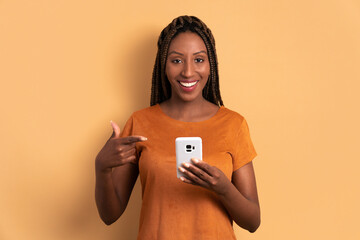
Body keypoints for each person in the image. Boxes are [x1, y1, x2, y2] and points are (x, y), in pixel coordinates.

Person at [95, 15, 260, 239]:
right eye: (177, 60)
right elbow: (109, 215)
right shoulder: (140, 123)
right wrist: (102, 168)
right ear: (164, 65)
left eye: (199, 60)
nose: (188, 72)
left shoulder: (233, 124)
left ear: (211, 64)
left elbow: (252, 221)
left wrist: (223, 188)